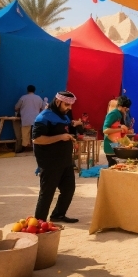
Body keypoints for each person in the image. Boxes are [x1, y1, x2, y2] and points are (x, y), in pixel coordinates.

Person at [32, 91, 79, 223]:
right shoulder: (43, 117)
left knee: (69, 189)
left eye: (71, 105)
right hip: (49, 163)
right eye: (67, 104)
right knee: (47, 193)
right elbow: (37, 139)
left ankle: (58, 214)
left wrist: (70, 138)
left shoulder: (64, 115)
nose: (69, 108)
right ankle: (39, 223)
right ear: (58, 102)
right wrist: (61, 137)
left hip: (65, 161)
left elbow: (64, 131)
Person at [15, 85, 46, 152]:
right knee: (35, 134)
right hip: (36, 119)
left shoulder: (23, 98)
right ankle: (36, 147)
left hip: (26, 119)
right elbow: (43, 108)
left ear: (27, 90)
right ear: (34, 90)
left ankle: (24, 147)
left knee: (25, 134)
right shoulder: (38, 98)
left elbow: (16, 107)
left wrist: (19, 111)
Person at [103, 96, 131, 167]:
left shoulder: (119, 114)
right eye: (125, 108)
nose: (127, 110)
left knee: (118, 166)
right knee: (113, 167)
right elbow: (105, 130)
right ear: (120, 106)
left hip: (115, 144)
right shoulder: (113, 114)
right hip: (110, 144)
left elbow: (115, 126)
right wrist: (120, 129)